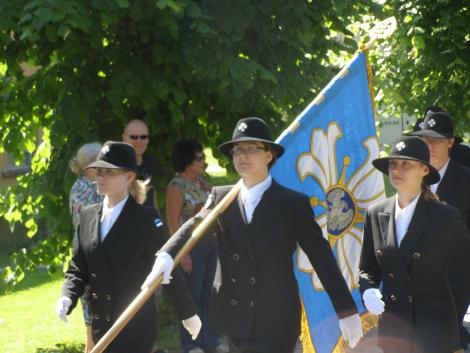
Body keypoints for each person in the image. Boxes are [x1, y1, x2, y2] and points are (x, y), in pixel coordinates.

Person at [143, 117, 363, 353]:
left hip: (276, 319)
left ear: (268, 156)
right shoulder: (222, 198)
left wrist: (346, 309)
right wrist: (168, 253)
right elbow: (196, 226)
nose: (242, 156)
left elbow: (321, 257)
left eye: (250, 149)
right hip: (237, 317)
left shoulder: (291, 204)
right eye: (237, 151)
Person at [56, 141, 201, 353]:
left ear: (129, 177)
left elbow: (167, 265)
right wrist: (67, 295)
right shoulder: (88, 215)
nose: (101, 177)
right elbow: (78, 267)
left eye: (110, 172)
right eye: (99, 171)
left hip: (135, 327)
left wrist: (188, 313)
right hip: (102, 326)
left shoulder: (144, 218)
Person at [359, 135, 470, 353]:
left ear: (424, 170)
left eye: (406, 164)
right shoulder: (376, 213)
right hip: (394, 333)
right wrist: (368, 290)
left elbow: (464, 272)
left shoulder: (445, 217)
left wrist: (450, 318)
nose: (397, 170)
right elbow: (368, 268)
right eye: (393, 164)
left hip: (434, 334)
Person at [412, 111, 470, 350]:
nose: (431, 145)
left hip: (456, 280)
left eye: (437, 139)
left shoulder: (466, 179)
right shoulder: (412, 177)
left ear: (451, 142)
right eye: (426, 139)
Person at [166, 140, 226, 353]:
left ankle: (210, 340)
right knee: (191, 297)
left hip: (210, 245)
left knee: (208, 295)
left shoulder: (202, 181)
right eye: (199, 158)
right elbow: (173, 222)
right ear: (187, 161)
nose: (203, 162)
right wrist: (183, 255)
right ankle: (191, 344)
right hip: (191, 249)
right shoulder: (176, 186)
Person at [69, 142, 105, 353]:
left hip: (94, 256)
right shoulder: (85, 189)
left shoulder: (85, 185)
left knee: (94, 321)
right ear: (91, 165)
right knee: (94, 323)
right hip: (91, 259)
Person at [122, 119, 159, 209]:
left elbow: (152, 196)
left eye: (143, 137)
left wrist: (158, 221)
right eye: (134, 137)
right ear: (123, 138)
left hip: (147, 221)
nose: (139, 141)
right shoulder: (116, 166)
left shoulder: (149, 162)